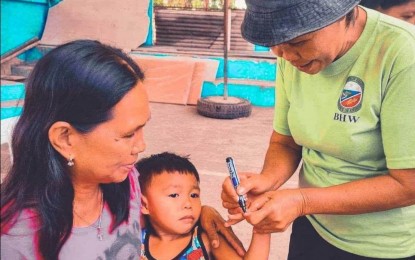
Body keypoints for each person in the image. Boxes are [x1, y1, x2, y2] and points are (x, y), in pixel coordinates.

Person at [0, 40, 244, 259]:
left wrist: (204, 213)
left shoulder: (128, 182)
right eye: (128, 134)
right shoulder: (14, 240)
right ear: (65, 139)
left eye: (142, 128)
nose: (141, 145)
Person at [221, 0, 415, 259]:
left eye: (299, 42)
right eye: (275, 44)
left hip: (381, 247)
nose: (286, 55)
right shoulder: (289, 55)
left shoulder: (402, 54)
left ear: (343, 14)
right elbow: (286, 142)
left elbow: (409, 184)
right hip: (312, 227)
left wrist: (302, 201)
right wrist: (265, 181)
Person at [136, 152, 270, 260]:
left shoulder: (207, 239)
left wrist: (262, 228)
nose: (188, 204)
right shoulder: (134, 239)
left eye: (194, 195)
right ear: (144, 204)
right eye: (174, 195)